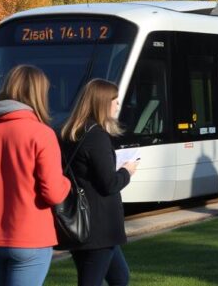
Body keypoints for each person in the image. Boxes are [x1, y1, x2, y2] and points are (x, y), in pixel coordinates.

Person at [0, 65, 72, 286]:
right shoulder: (42, 134)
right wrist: (66, 182)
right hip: (31, 236)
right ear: (39, 94)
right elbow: (53, 193)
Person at [58, 79, 140, 286]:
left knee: (120, 277)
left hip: (80, 222)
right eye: (115, 101)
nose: (118, 105)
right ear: (102, 103)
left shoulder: (69, 132)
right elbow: (109, 183)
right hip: (98, 226)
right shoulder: (96, 136)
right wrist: (126, 171)